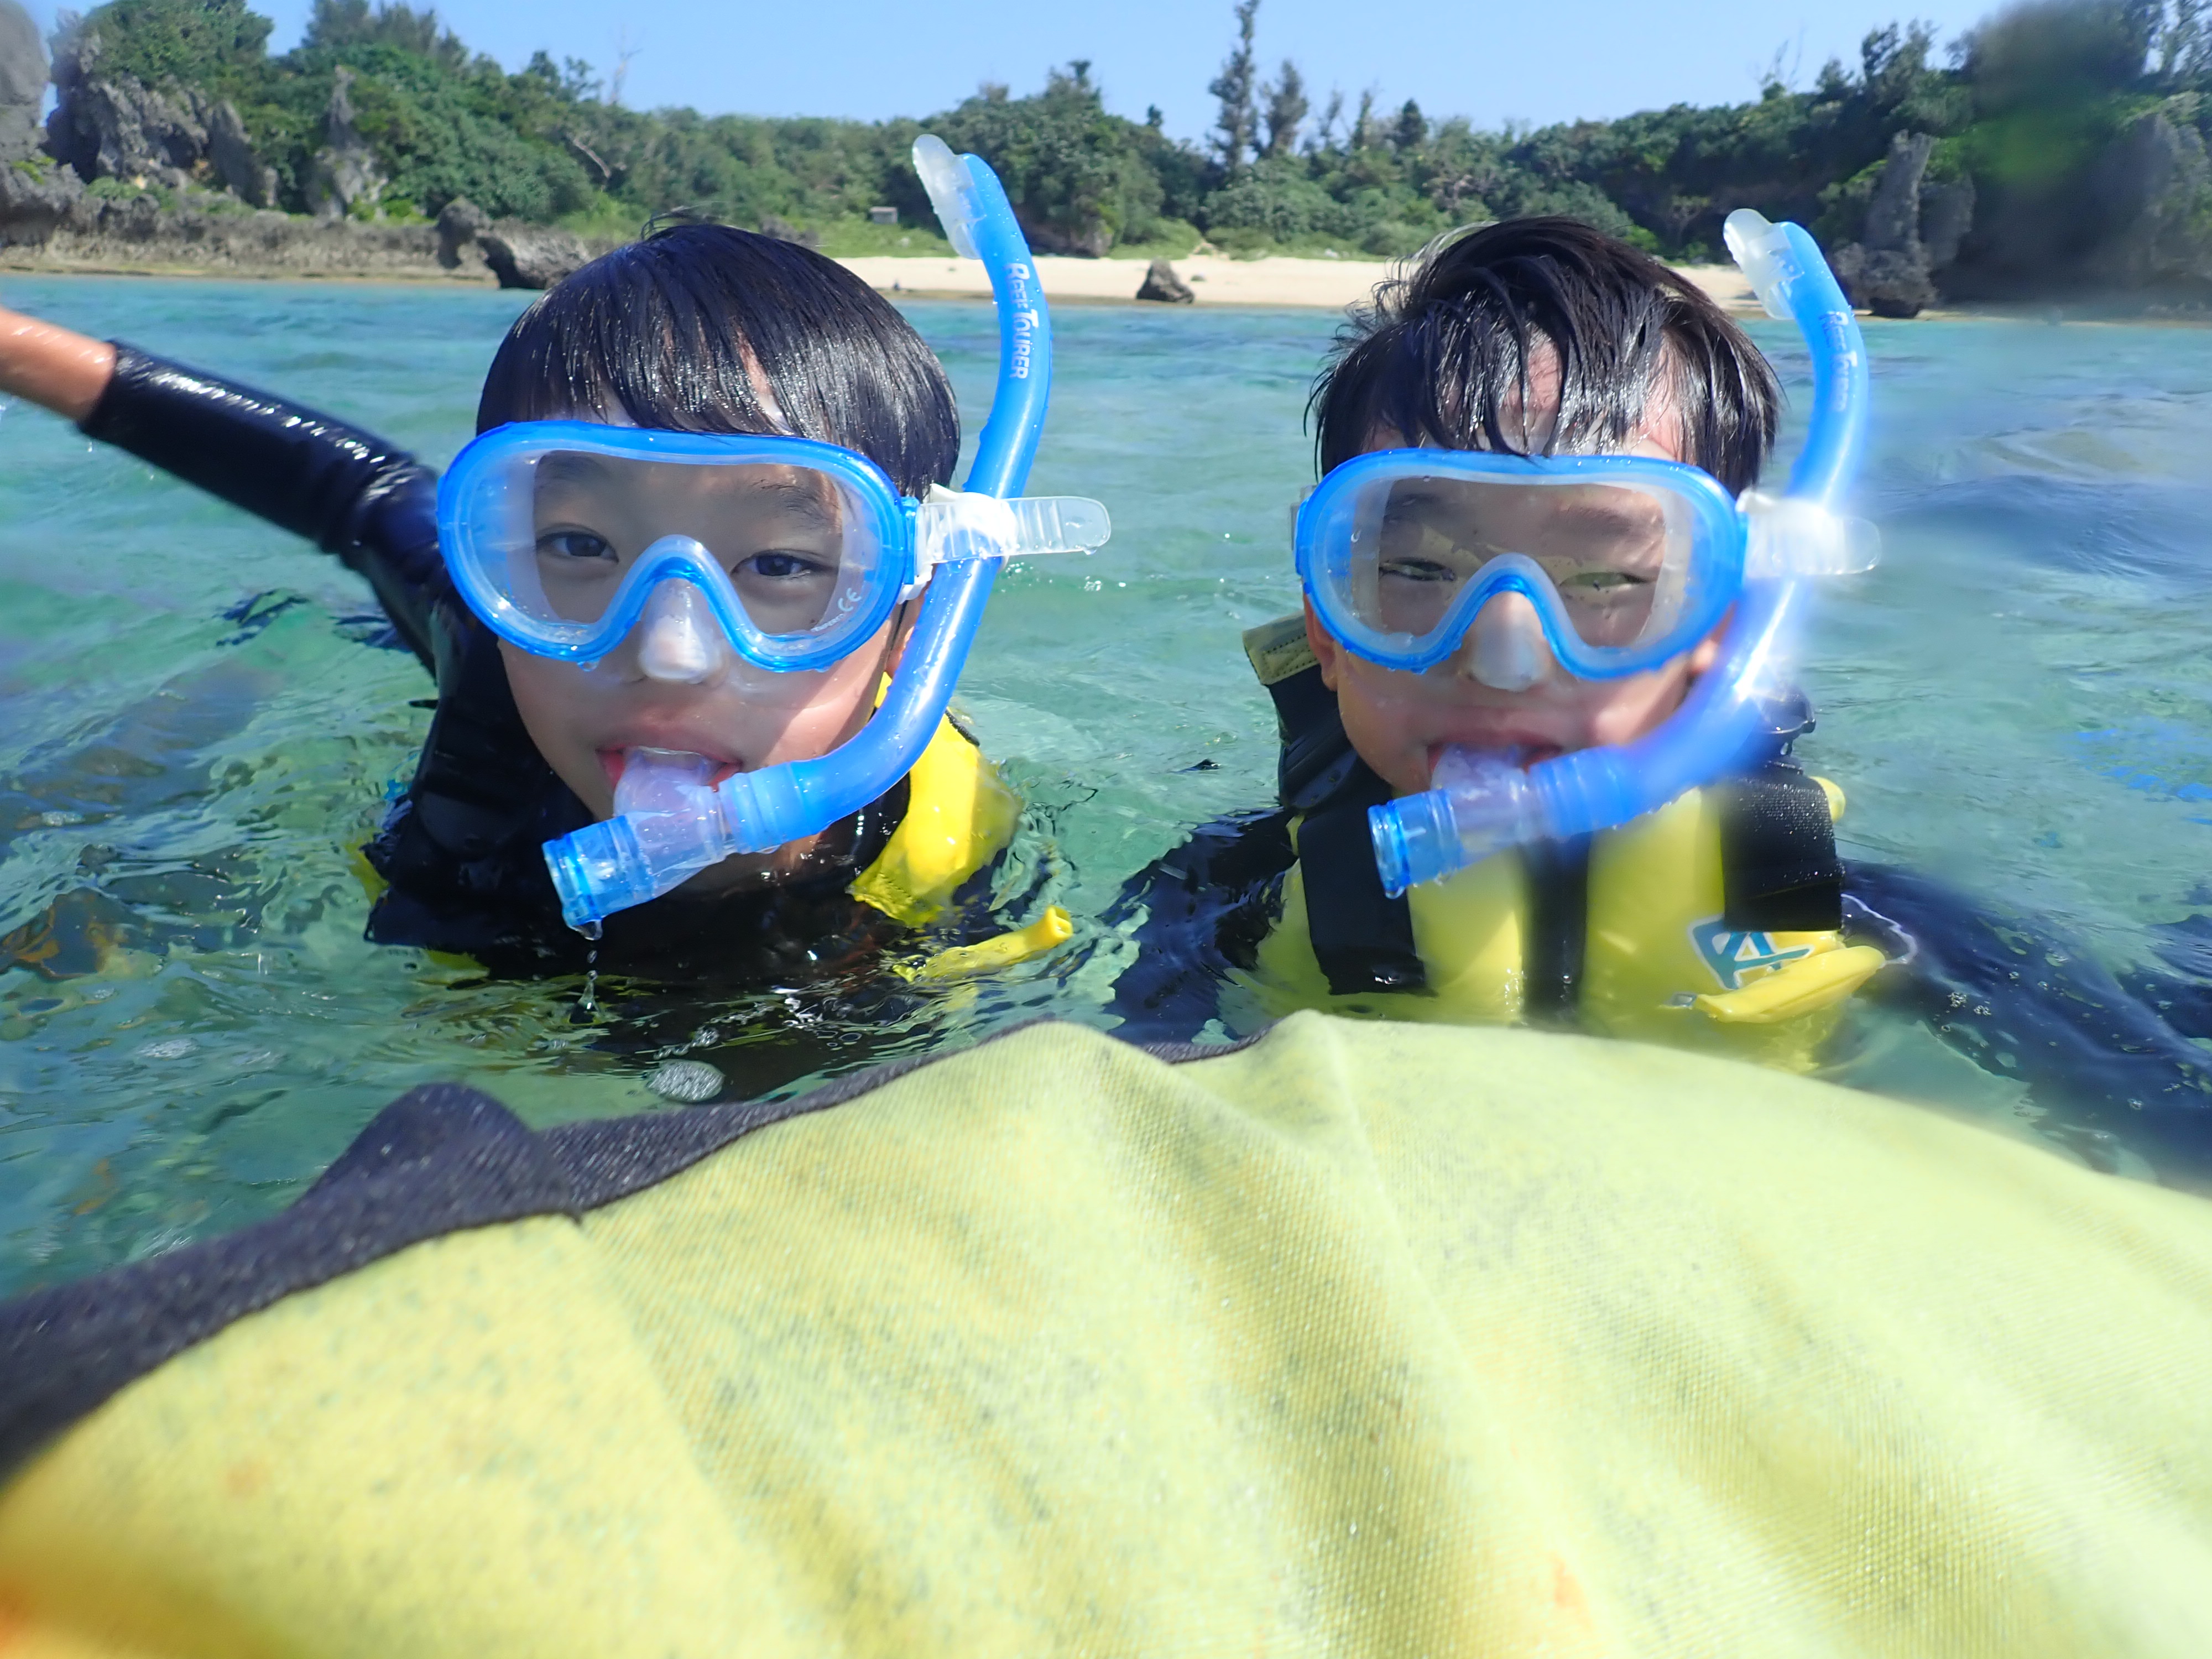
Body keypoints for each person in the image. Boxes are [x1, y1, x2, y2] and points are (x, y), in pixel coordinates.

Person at [0, 142, 1101, 986]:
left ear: (911, 619)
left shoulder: (953, 858)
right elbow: (342, 486)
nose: (668, 653)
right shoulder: (489, 633)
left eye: (777, 564)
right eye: (581, 545)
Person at [1110, 212, 1883, 1070]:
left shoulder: (1791, 883)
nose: (1502, 659)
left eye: (1604, 581)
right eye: (1419, 569)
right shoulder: (1230, 891)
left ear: (1721, 629)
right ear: (1326, 627)